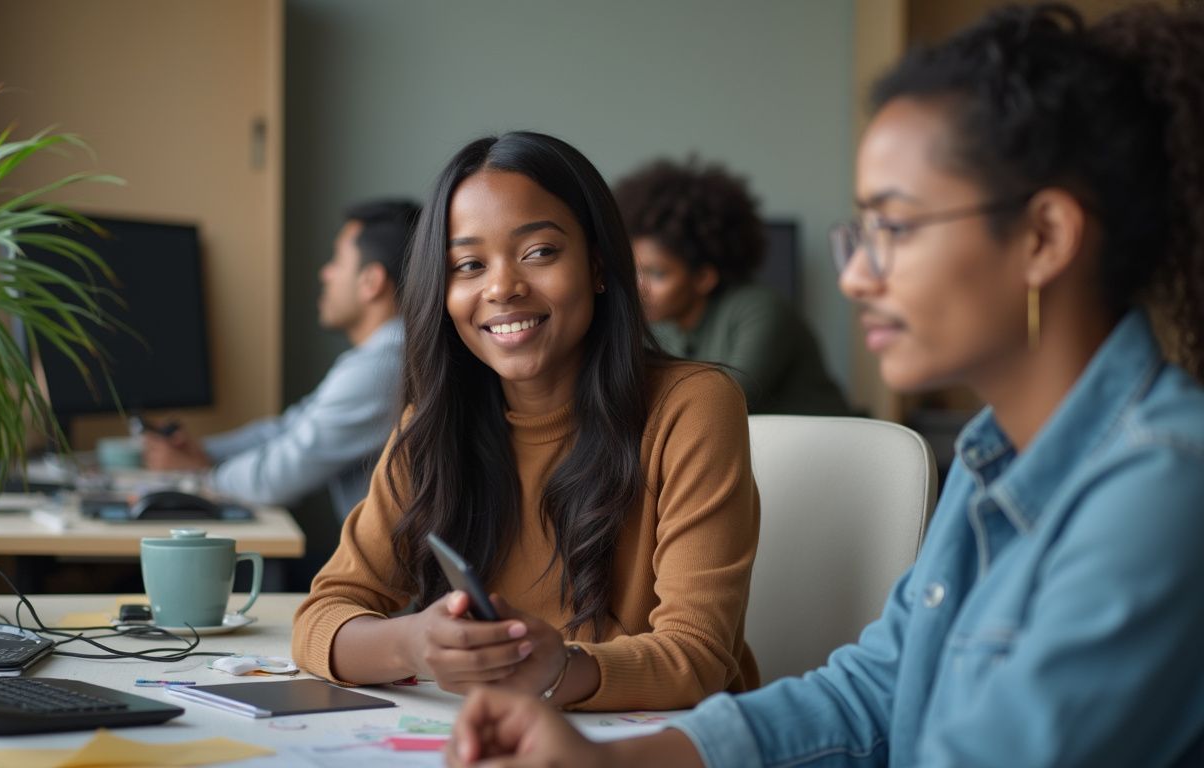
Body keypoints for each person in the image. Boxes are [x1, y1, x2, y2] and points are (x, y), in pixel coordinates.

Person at [446, 4, 1204, 766]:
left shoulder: (1165, 485)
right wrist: (609, 761)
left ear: (1043, 238)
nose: (853, 276)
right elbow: (873, 695)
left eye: (896, 229)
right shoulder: (992, 456)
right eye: (859, 233)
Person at [291, 132, 760, 712]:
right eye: (467, 264)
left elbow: (699, 657)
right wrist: (412, 643)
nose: (501, 287)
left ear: (597, 265)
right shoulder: (434, 423)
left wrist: (556, 669)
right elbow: (323, 615)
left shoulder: (692, 406)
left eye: (539, 252)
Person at [143, 199, 418, 522]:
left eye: (338, 260)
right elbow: (289, 428)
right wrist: (205, 452)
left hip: (392, 572)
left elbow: (274, 479)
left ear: (371, 282)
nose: (325, 273)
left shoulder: (383, 365)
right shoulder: (382, 355)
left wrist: (201, 475)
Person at [614, 158, 848, 414]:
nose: (639, 287)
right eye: (635, 270)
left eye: (657, 274)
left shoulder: (761, 311)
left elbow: (722, 403)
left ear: (704, 278)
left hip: (830, 449)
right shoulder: (663, 327)